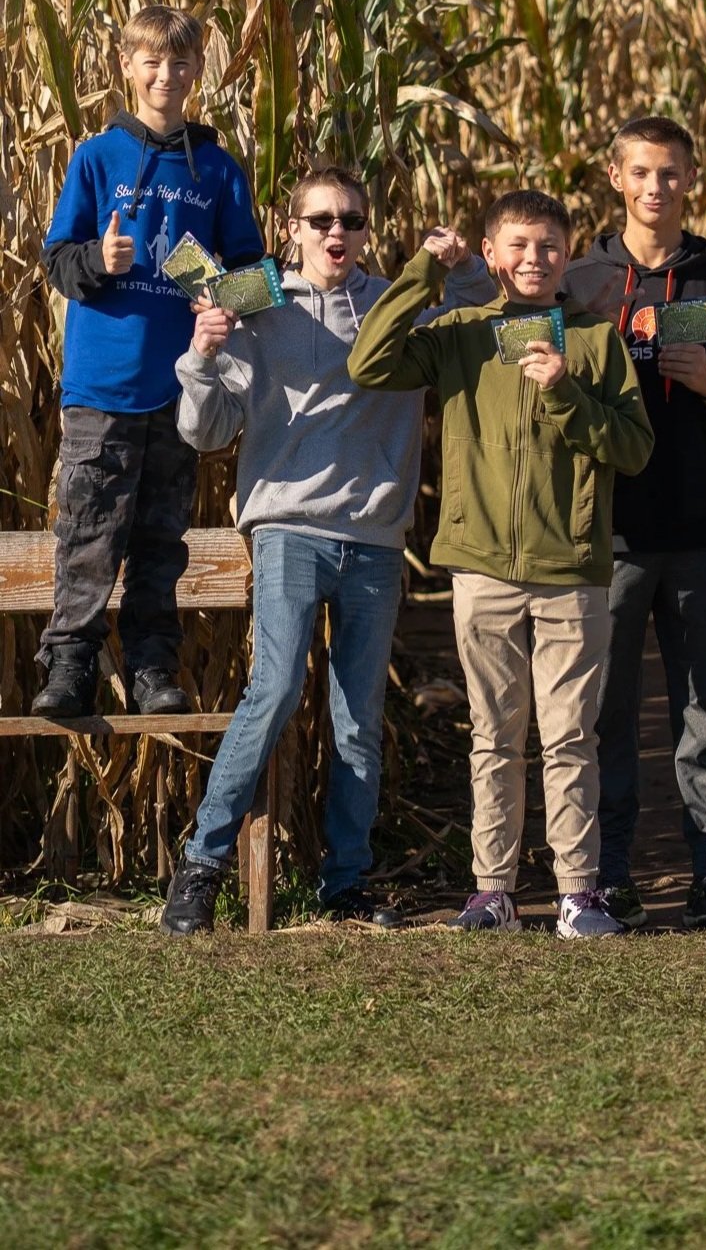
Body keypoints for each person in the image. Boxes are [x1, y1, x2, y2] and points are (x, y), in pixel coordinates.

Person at [160, 168, 494, 934]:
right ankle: (201, 867)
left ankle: (345, 882)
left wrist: (460, 263)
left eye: (351, 220)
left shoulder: (392, 304)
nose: (335, 233)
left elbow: (486, 316)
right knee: (273, 692)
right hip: (288, 529)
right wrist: (203, 357)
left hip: (374, 537)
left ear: (369, 230)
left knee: (356, 719)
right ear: (292, 230)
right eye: (318, 221)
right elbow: (205, 434)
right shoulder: (258, 309)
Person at [349, 189, 654, 938]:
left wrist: (565, 395)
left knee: (570, 736)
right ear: (489, 255)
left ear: (567, 253)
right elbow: (369, 361)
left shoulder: (593, 340)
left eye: (548, 246)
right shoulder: (459, 332)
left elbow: (633, 448)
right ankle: (493, 892)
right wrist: (423, 270)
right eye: (516, 245)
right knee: (494, 735)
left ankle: (578, 893)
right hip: (481, 567)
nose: (532, 259)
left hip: (571, 569)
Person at [33, 5, 263, 720]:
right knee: (89, 535)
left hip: (180, 390)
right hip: (101, 388)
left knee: (162, 541)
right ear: (127, 66)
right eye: (153, 61)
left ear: (199, 72)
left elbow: (255, 273)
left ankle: (153, 668)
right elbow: (56, 261)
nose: (167, 75)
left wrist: (220, 301)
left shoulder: (218, 169)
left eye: (182, 62)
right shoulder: (96, 157)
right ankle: (69, 666)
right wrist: (97, 262)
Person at [561, 117, 706, 930]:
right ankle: (611, 876)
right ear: (615, 178)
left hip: (699, 528)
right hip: (603, 534)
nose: (655, 187)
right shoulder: (577, 284)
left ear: (690, 181)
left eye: (669, 174)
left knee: (701, 714)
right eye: (640, 172)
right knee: (608, 714)